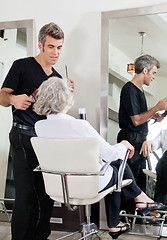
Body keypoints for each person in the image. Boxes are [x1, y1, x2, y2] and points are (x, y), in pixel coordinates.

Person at [33, 77, 164, 239]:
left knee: (114, 165)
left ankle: (134, 205)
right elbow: (109, 154)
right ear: (64, 99)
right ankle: (129, 209)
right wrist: (124, 144)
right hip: (88, 184)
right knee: (117, 165)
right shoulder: (80, 125)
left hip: (59, 185)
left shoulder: (40, 127)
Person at [0, 23, 74, 240]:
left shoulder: (57, 77)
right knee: (25, 197)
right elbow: (2, 96)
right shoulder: (21, 66)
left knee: (46, 194)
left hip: (46, 140)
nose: (55, 53)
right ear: (40, 45)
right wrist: (13, 99)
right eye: (51, 47)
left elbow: (58, 113)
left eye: (59, 47)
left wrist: (67, 96)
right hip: (23, 136)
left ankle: (41, 237)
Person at [117, 54, 167, 193]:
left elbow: (138, 117)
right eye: (153, 73)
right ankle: (126, 214)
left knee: (139, 184)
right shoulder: (129, 90)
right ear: (145, 70)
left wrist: (153, 115)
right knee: (131, 184)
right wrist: (156, 107)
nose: (154, 77)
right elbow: (136, 120)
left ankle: (136, 213)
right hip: (130, 141)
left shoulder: (140, 91)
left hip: (138, 141)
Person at [140, 129, 167, 204]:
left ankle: (160, 204)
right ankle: (160, 206)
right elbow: (155, 143)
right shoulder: (164, 132)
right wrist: (149, 143)